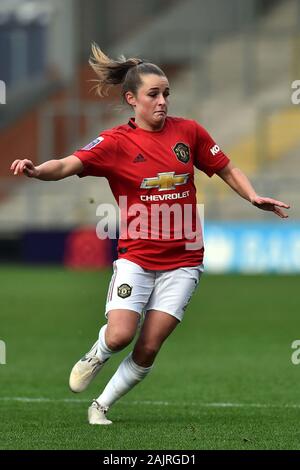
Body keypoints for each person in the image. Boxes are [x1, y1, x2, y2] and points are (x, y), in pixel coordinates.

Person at [10, 44, 290, 425]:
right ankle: (97, 353)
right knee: (121, 335)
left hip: (185, 260)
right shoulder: (113, 144)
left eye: (166, 94)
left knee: (149, 345)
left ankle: (101, 406)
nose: (162, 102)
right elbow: (66, 164)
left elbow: (225, 167)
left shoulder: (188, 132)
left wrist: (252, 195)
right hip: (137, 258)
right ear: (131, 99)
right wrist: (36, 171)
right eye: (153, 94)